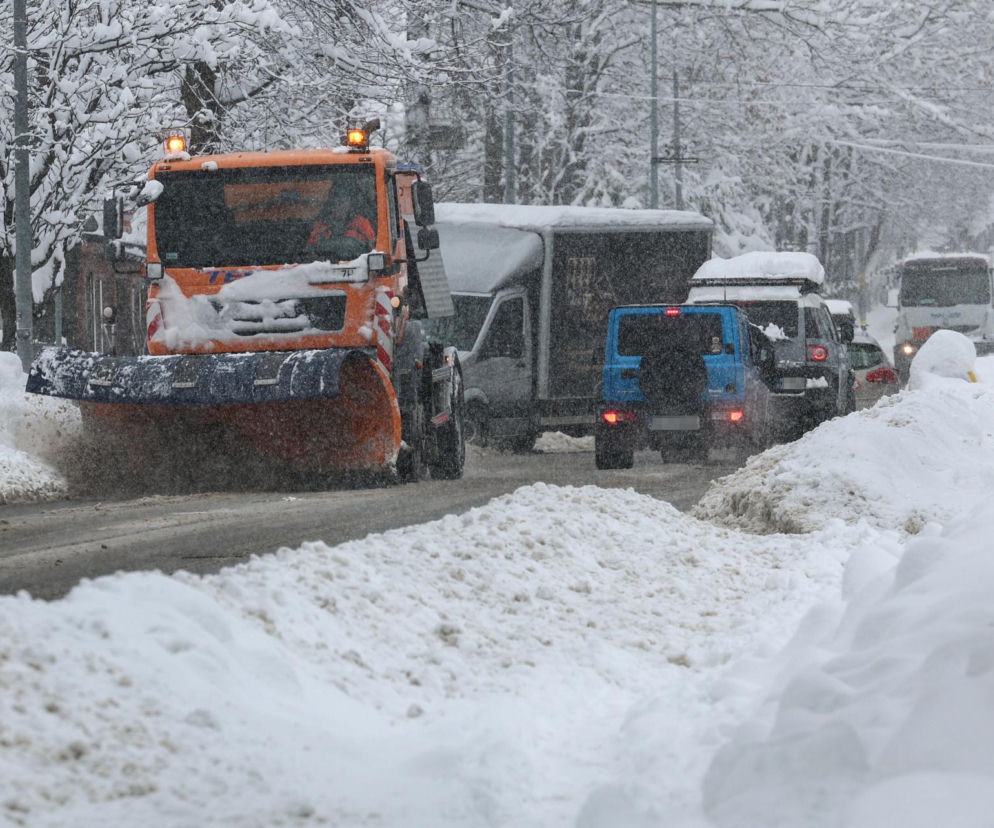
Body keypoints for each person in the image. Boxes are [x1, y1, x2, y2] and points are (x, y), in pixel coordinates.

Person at [307, 186, 375, 260]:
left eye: (343, 202)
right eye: (336, 202)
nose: (339, 206)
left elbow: (373, 251)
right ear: (330, 205)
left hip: (357, 267)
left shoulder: (362, 224)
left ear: (349, 203)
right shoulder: (319, 227)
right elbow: (310, 254)